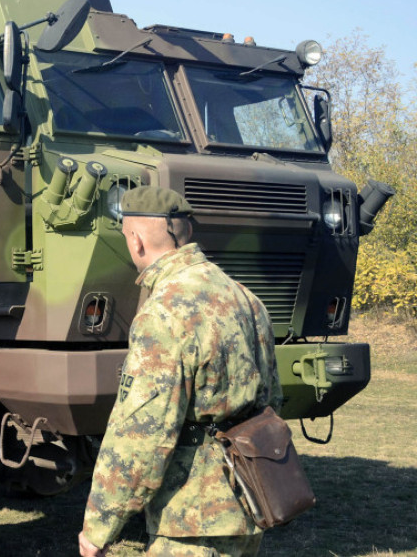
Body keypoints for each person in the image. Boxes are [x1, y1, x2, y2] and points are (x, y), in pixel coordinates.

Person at [79, 187, 281, 557]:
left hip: (191, 521)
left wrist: (98, 527)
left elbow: (141, 435)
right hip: (249, 500)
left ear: (136, 240)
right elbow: (272, 400)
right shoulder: (244, 297)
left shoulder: (164, 312)